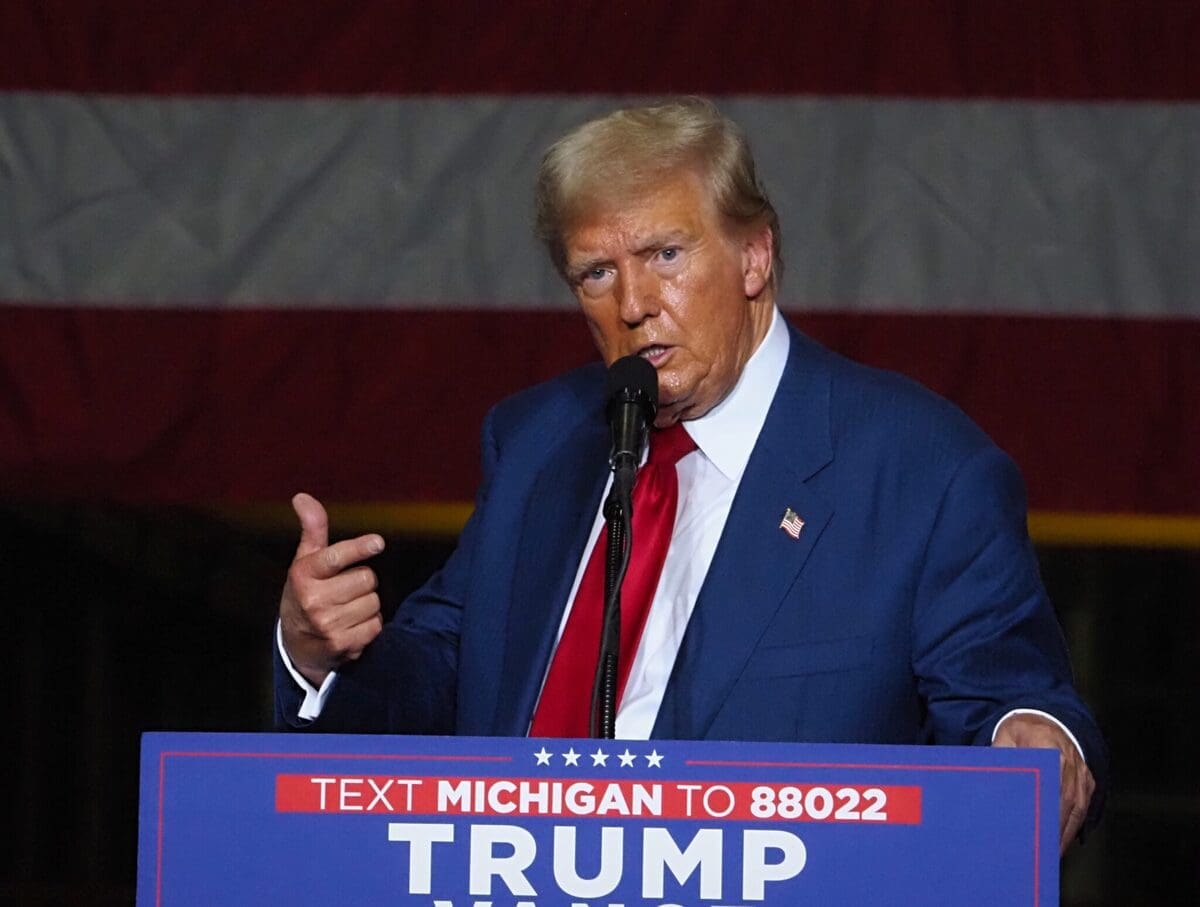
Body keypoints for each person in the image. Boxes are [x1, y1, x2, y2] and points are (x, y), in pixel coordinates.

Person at [275, 99, 1105, 850]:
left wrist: (1033, 739)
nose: (632, 303)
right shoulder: (537, 443)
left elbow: (1011, 700)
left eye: (665, 254)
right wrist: (321, 656)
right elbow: (441, 675)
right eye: (596, 273)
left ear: (754, 257)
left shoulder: (922, 472)